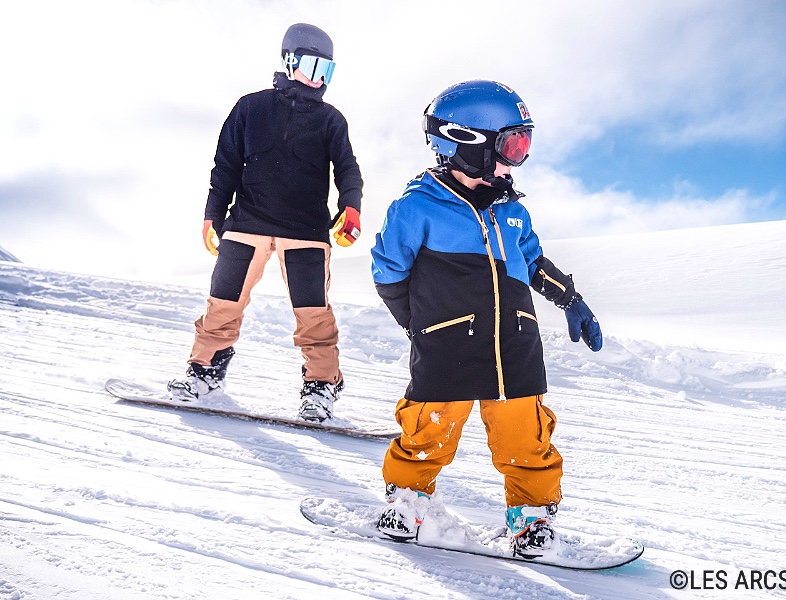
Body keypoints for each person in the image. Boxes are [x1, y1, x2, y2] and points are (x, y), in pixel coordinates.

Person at [370, 80, 603, 557]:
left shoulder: (513, 212)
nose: (517, 158)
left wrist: (571, 299)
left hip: (516, 343)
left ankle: (531, 518)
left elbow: (534, 261)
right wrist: (420, 325)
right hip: (447, 345)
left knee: (527, 436)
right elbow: (388, 271)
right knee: (428, 429)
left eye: (523, 145)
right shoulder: (416, 208)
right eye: (511, 144)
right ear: (465, 142)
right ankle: (408, 501)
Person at [168, 23, 364, 423]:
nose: (318, 78)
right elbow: (225, 166)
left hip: (306, 229)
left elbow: (347, 168)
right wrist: (212, 214)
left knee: (312, 311)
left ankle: (322, 384)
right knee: (223, 300)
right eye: (312, 66)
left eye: (327, 71)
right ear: (289, 60)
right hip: (246, 221)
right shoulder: (250, 107)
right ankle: (206, 368)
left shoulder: (330, 120)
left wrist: (352, 206)